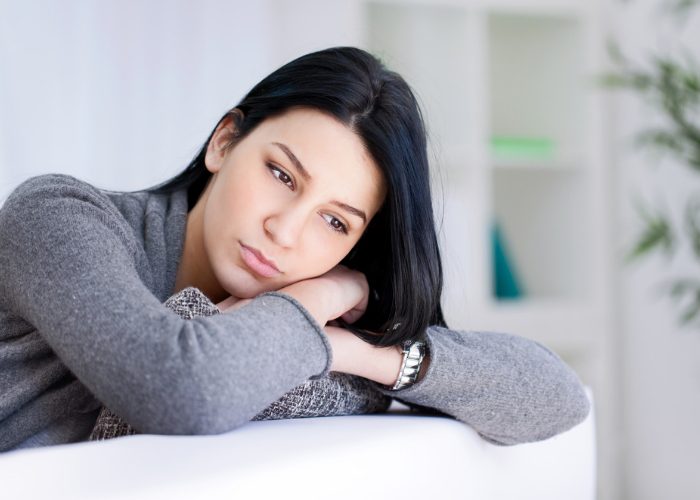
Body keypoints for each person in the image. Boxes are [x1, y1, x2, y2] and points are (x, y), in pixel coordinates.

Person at [0, 46, 590, 452]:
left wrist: (352, 351)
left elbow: (557, 398)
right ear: (225, 142)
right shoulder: (57, 216)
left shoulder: (291, 327)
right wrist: (325, 294)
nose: (286, 232)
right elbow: (177, 386)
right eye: (282, 176)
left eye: (334, 221)